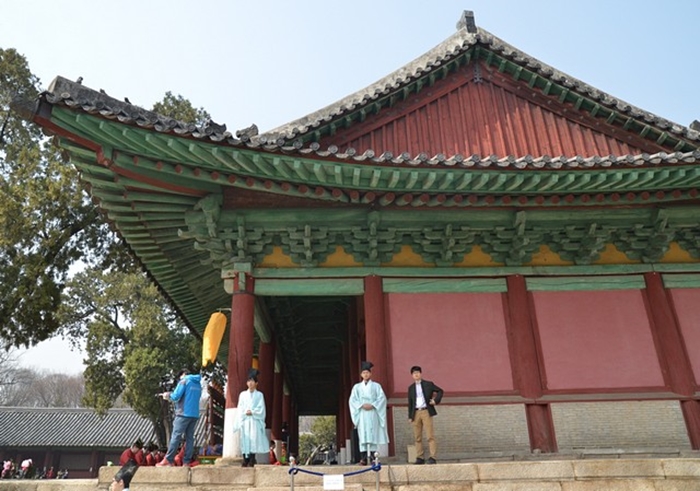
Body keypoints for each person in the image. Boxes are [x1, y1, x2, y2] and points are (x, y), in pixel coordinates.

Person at [156, 368, 203, 467]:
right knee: (190, 438)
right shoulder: (198, 383)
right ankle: (186, 461)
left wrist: (167, 395)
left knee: (176, 436)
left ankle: (168, 459)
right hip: (194, 414)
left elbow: (176, 396)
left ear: (183, 374)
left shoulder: (184, 381)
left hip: (183, 413)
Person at [348, 361, 389, 465]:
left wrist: (373, 405)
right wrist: (361, 405)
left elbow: (382, 398)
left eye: (367, 372)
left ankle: (374, 457)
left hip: (373, 412)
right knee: (363, 434)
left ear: (370, 374)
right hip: (362, 413)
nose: (366, 374)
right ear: (361, 375)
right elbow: (352, 400)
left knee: (373, 433)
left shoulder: (376, 386)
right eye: (364, 373)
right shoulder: (357, 387)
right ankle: (363, 457)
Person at [407, 365, 444, 464]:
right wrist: (410, 416)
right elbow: (410, 402)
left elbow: (440, 391)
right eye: (414, 373)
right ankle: (420, 457)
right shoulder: (411, 388)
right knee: (417, 437)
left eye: (418, 373)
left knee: (430, 435)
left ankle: (433, 457)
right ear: (412, 375)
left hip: (426, 411)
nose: (416, 375)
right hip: (416, 412)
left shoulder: (428, 384)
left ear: (421, 373)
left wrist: (435, 400)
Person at [233, 368, 268, 467]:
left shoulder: (259, 395)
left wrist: (252, 412)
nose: (250, 383)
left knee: (253, 439)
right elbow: (240, 407)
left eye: (252, 381)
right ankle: (245, 459)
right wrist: (245, 412)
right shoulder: (242, 395)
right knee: (245, 439)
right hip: (245, 419)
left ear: (256, 383)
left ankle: (252, 459)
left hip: (254, 420)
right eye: (249, 381)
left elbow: (261, 408)